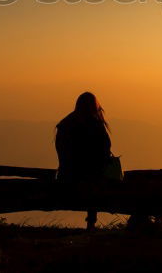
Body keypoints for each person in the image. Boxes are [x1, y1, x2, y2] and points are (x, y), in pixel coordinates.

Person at [55, 92, 114, 229]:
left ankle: (91, 222)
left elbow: (63, 154)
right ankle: (91, 222)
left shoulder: (65, 124)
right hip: (91, 180)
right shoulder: (95, 125)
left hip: (66, 177)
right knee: (95, 182)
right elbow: (105, 150)